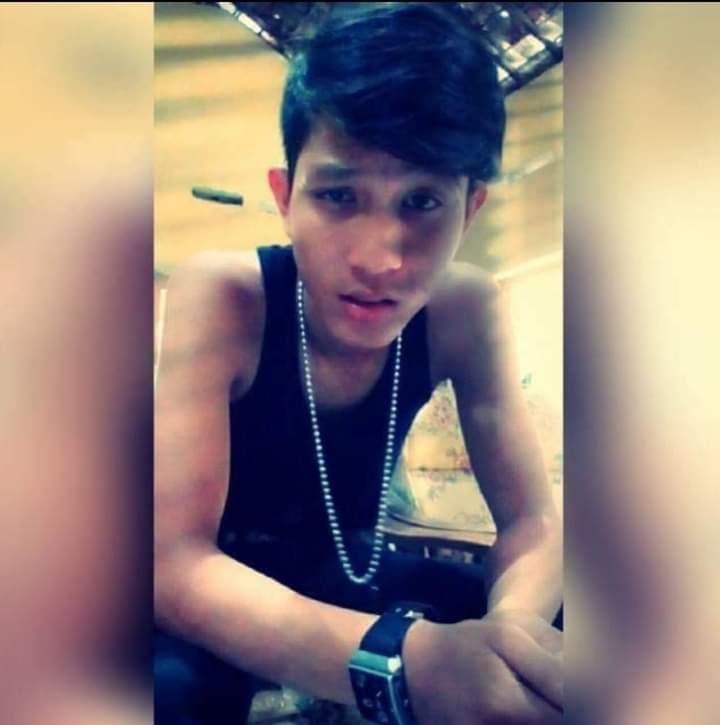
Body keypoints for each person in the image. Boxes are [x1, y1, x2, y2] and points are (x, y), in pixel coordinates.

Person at [154, 3, 563, 723]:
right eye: (339, 195)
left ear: (470, 209)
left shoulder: (465, 308)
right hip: (217, 590)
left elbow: (534, 521)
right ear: (286, 198)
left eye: (422, 201)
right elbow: (172, 560)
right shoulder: (223, 295)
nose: (380, 259)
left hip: (349, 567)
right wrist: (407, 662)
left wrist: (506, 644)